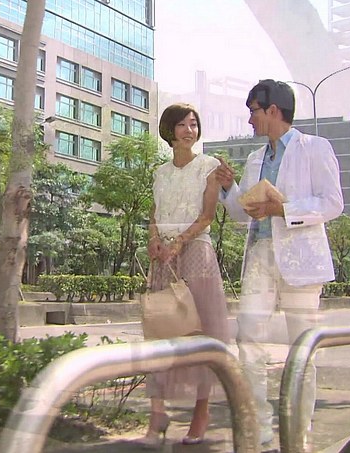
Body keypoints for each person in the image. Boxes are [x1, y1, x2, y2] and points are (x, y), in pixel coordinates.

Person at [213, 80, 344, 451]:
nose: (249, 119)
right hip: (260, 256)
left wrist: (283, 209)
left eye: (253, 111)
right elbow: (243, 214)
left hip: (301, 259)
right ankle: (259, 428)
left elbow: (332, 203)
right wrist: (230, 188)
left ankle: (298, 436)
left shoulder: (314, 148)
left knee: (302, 349)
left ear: (273, 110)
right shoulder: (256, 159)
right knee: (248, 339)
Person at [137, 103, 230, 449]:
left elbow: (207, 215)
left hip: (195, 253)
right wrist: (153, 240)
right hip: (163, 257)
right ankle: (157, 413)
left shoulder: (209, 166)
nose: (189, 130)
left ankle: (200, 413)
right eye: (182, 125)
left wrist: (179, 241)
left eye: (194, 124)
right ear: (169, 130)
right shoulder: (160, 173)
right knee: (160, 330)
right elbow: (154, 213)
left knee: (200, 330)